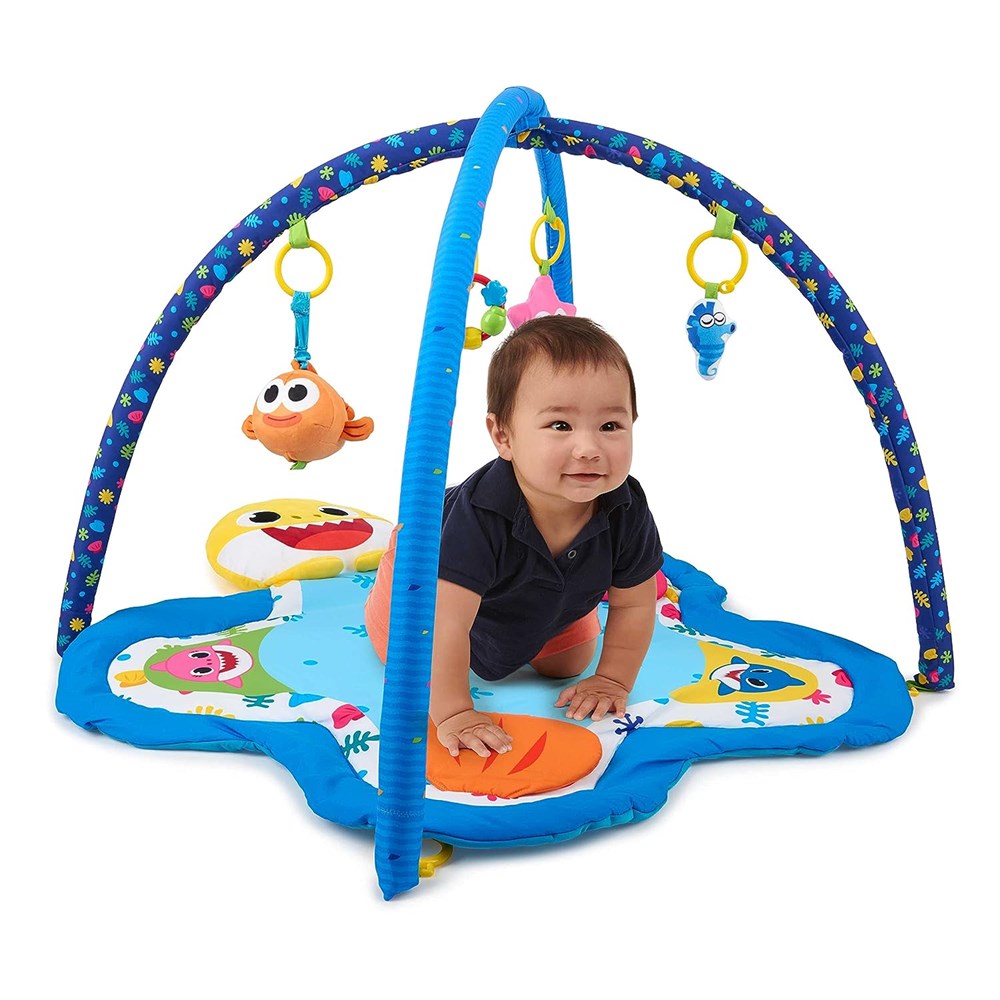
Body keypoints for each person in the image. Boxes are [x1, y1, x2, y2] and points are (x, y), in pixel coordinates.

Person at [364, 315, 663, 758]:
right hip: (430, 583)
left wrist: (612, 679)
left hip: (534, 598)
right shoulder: (479, 515)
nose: (589, 448)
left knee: (570, 664)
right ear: (503, 436)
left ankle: (533, 622)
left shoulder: (626, 505)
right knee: (407, 656)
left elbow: (634, 603)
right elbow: (446, 623)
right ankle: (394, 570)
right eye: (560, 425)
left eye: (610, 426)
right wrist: (454, 712)